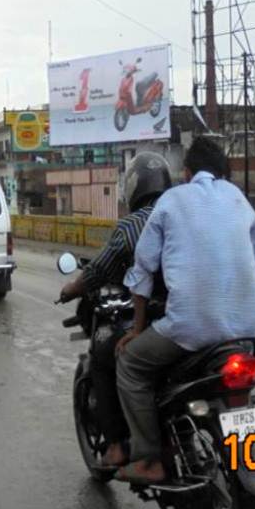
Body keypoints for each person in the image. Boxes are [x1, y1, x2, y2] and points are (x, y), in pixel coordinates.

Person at [114, 136, 255, 484]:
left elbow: (142, 270)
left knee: (131, 365)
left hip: (190, 329)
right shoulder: (239, 200)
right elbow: (254, 258)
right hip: (246, 330)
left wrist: (136, 331)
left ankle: (149, 459)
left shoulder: (171, 201)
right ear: (224, 170)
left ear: (187, 171)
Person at [59, 152, 172, 468]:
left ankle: (120, 447)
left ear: (133, 187)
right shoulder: (185, 213)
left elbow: (100, 270)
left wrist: (71, 289)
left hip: (166, 321)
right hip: (214, 320)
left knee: (107, 353)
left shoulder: (133, 225)